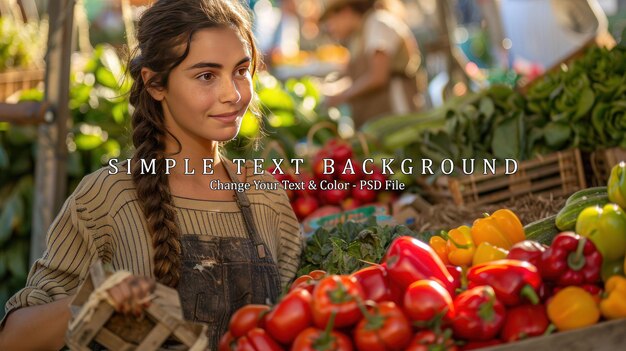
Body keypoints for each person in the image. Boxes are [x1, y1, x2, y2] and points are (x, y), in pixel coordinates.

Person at [0, 0, 303, 349]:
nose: (232, 94)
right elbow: (13, 339)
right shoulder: (107, 197)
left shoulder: (266, 195)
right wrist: (92, 298)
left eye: (240, 70)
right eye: (206, 76)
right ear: (155, 83)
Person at [321, 0, 425, 128]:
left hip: (396, 113)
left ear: (345, 11)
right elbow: (355, 78)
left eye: (330, 19)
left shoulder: (378, 23)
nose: (330, 27)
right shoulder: (358, 35)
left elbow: (378, 76)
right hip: (375, 120)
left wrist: (342, 97)